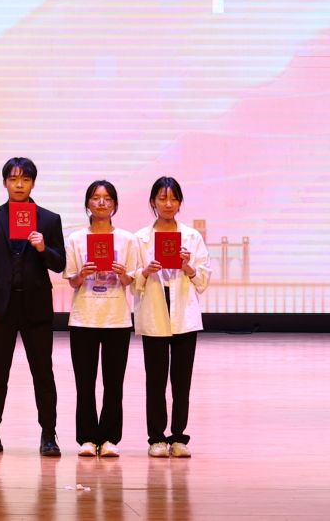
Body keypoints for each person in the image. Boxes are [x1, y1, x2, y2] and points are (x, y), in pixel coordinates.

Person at [0, 156, 66, 457]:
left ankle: (49, 435)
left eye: (25, 179)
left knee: (43, 373)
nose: (19, 185)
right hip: (1, 308)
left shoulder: (49, 219)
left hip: (36, 306)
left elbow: (60, 263)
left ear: (33, 183)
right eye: (13, 179)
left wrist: (43, 248)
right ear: (4, 183)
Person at [132, 176, 210, 459]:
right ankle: (156, 438)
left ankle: (178, 437)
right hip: (154, 310)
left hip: (183, 315)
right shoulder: (140, 238)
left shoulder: (192, 237)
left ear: (180, 203)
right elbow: (132, 281)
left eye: (173, 199)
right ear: (153, 202)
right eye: (162, 198)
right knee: (155, 380)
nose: (168, 204)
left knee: (181, 380)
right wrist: (146, 271)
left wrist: (187, 266)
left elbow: (203, 280)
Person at [63, 180, 140, 459]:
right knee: (84, 382)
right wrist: (82, 274)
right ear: (87, 204)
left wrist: (122, 274)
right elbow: (72, 280)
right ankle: (86, 438)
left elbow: (132, 280)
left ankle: (109, 438)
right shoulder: (76, 239)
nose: (101, 203)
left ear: (115, 205)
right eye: (96, 198)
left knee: (113, 383)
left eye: (107, 198)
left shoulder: (128, 240)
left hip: (116, 319)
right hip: (83, 318)